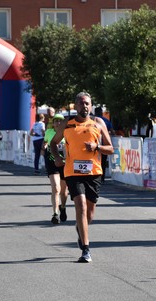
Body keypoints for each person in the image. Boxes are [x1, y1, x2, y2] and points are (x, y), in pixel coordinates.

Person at [50, 92, 113, 263]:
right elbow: (53, 143)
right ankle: (86, 249)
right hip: (72, 172)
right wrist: (57, 157)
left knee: (89, 214)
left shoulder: (98, 123)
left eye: (87, 103)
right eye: (81, 103)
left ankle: (80, 227)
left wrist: (97, 146)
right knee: (81, 206)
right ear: (75, 106)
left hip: (94, 173)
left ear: (90, 105)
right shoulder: (67, 124)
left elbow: (110, 148)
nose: (84, 106)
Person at [43, 113, 68, 224]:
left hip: (65, 163)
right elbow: (45, 143)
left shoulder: (67, 133)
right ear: (52, 123)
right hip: (52, 162)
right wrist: (44, 147)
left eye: (60, 121)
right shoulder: (49, 132)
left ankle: (62, 207)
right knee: (56, 188)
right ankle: (55, 213)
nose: (58, 123)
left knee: (64, 191)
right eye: (56, 121)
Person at [94, 107, 112, 181]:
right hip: (104, 145)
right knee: (103, 161)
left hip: (95, 144)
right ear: (101, 112)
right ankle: (101, 177)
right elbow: (111, 130)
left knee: (95, 160)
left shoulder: (92, 120)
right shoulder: (105, 121)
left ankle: (97, 176)